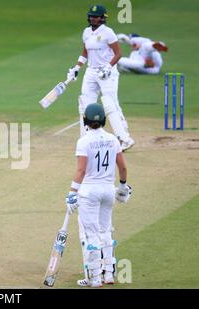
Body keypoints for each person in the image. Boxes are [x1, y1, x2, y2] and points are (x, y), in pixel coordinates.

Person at [65, 103, 132, 287]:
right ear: (103, 120)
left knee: (91, 235)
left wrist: (72, 193)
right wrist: (123, 187)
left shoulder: (84, 141)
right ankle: (109, 274)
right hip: (108, 191)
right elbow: (123, 167)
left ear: (85, 120)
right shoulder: (113, 139)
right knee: (106, 231)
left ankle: (94, 279)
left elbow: (80, 171)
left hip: (89, 193)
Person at [66, 4, 135, 152]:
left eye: (96, 17)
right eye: (91, 16)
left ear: (103, 18)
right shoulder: (86, 32)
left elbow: (118, 54)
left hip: (107, 73)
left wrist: (108, 67)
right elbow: (85, 52)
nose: (93, 18)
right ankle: (85, 138)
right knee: (85, 103)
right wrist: (77, 68)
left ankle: (125, 139)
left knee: (111, 104)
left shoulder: (108, 32)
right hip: (91, 72)